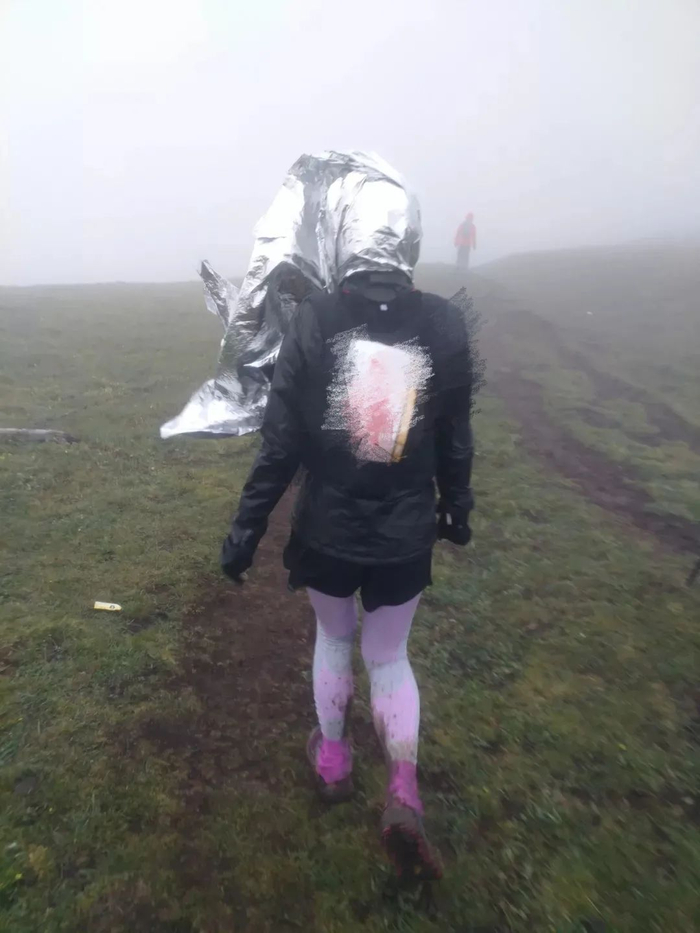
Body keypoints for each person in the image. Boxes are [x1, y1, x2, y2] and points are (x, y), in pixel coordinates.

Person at [220, 267, 475, 882]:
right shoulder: (441, 320)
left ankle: (333, 762)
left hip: (328, 530)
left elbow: (281, 440)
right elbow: (455, 431)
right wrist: (456, 507)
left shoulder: (317, 316)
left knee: (334, 639)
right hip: (404, 533)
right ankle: (403, 790)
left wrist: (246, 530)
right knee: (388, 655)